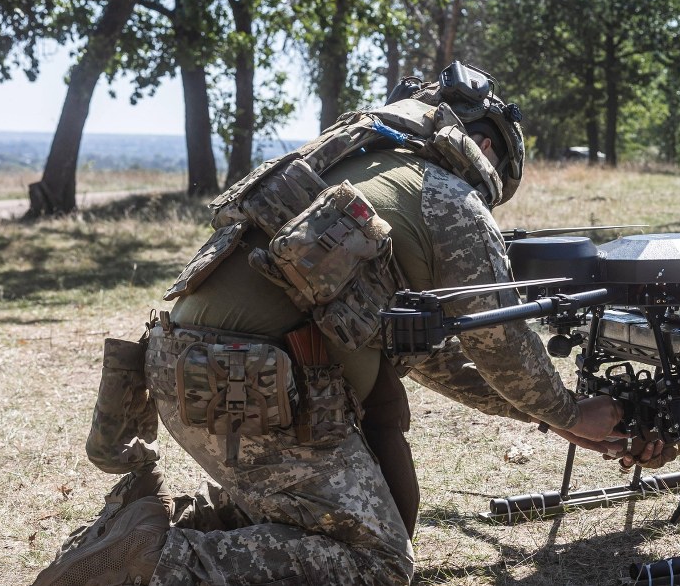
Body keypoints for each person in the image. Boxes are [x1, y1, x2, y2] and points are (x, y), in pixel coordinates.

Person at [33, 61, 624, 585]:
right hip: (255, 386)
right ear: (487, 149)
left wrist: (548, 415)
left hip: (188, 371)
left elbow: (433, 358)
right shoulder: (450, 198)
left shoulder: (349, 166)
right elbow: (501, 342)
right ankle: (159, 563)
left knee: (308, 512)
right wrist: (569, 412)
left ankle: (140, 527)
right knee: (378, 564)